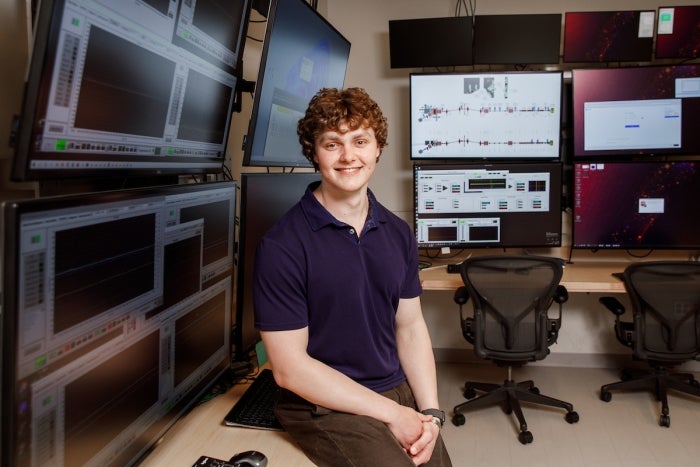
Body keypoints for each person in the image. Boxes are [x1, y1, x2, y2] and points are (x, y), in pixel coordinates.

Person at [252, 87, 452, 467]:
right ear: (314, 152)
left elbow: (409, 327)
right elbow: (290, 369)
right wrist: (393, 415)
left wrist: (431, 413)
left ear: (378, 148)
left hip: (394, 389)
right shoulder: (282, 246)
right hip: (324, 403)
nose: (348, 156)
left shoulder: (397, 231)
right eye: (332, 144)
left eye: (360, 141)